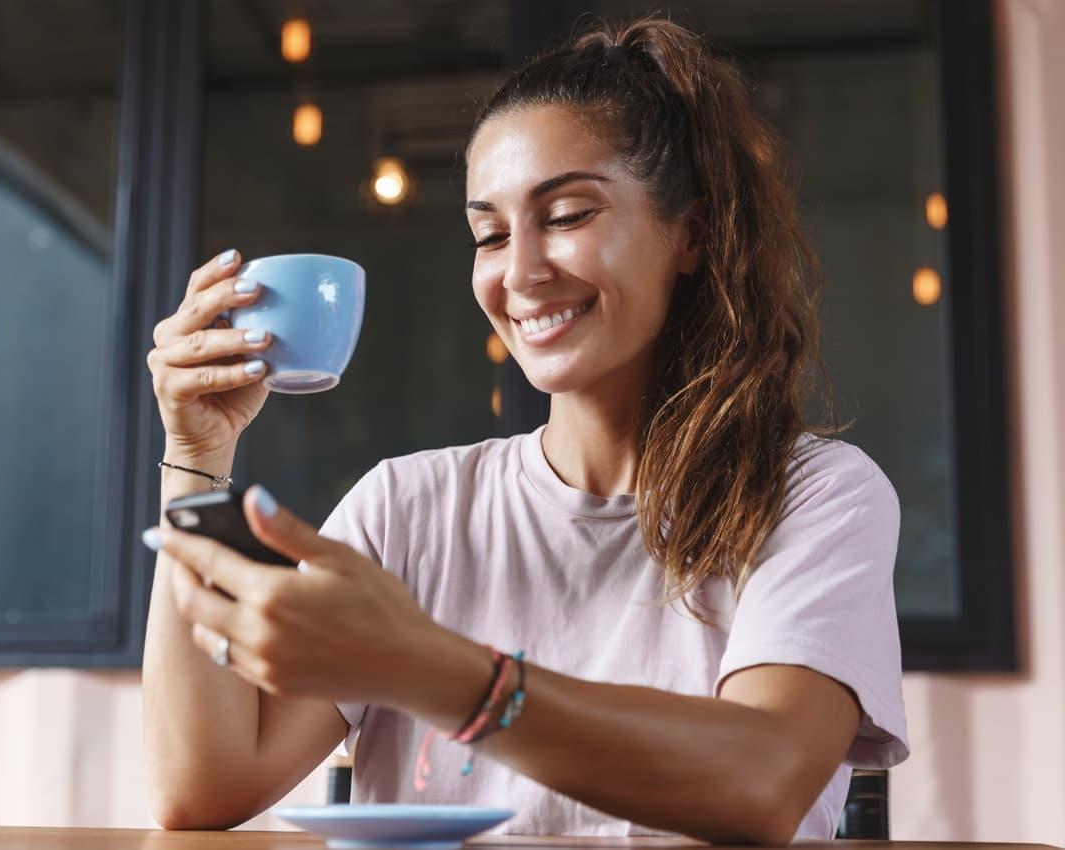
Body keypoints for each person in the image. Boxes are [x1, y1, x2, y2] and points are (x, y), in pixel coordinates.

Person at [140, 15, 908, 844]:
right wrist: (196, 455)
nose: (521, 271)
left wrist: (428, 668)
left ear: (690, 232)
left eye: (569, 214)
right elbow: (202, 788)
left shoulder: (815, 496)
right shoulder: (408, 507)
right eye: (491, 234)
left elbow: (761, 782)